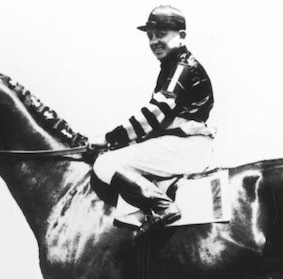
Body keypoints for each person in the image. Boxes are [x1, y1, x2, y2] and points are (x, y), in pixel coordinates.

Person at [88, 6, 215, 234]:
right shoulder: (172, 67)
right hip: (183, 144)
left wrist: (109, 139)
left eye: (161, 34)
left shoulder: (182, 68)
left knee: (105, 163)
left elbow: (154, 116)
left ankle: (163, 206)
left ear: (182, 36)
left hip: (184, 147)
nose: (154, 41)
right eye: (150, 36)